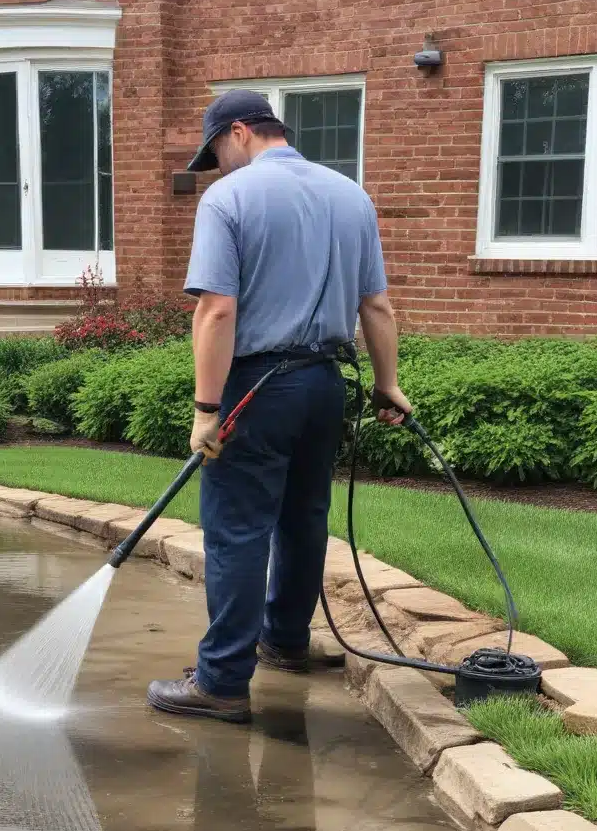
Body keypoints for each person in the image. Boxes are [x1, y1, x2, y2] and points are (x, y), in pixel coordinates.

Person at [146, 89, 412, 724]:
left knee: (238, 529)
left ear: (239, 132)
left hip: (257, 387)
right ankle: (286, 641)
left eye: (216, 153)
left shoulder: (229, 199)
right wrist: (388, 382)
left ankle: (220, 682)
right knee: (303, 517)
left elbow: (216, 310)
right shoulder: (352, 196)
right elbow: (376, 305)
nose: (217, 168)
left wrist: (206, 409)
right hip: (325, 384)